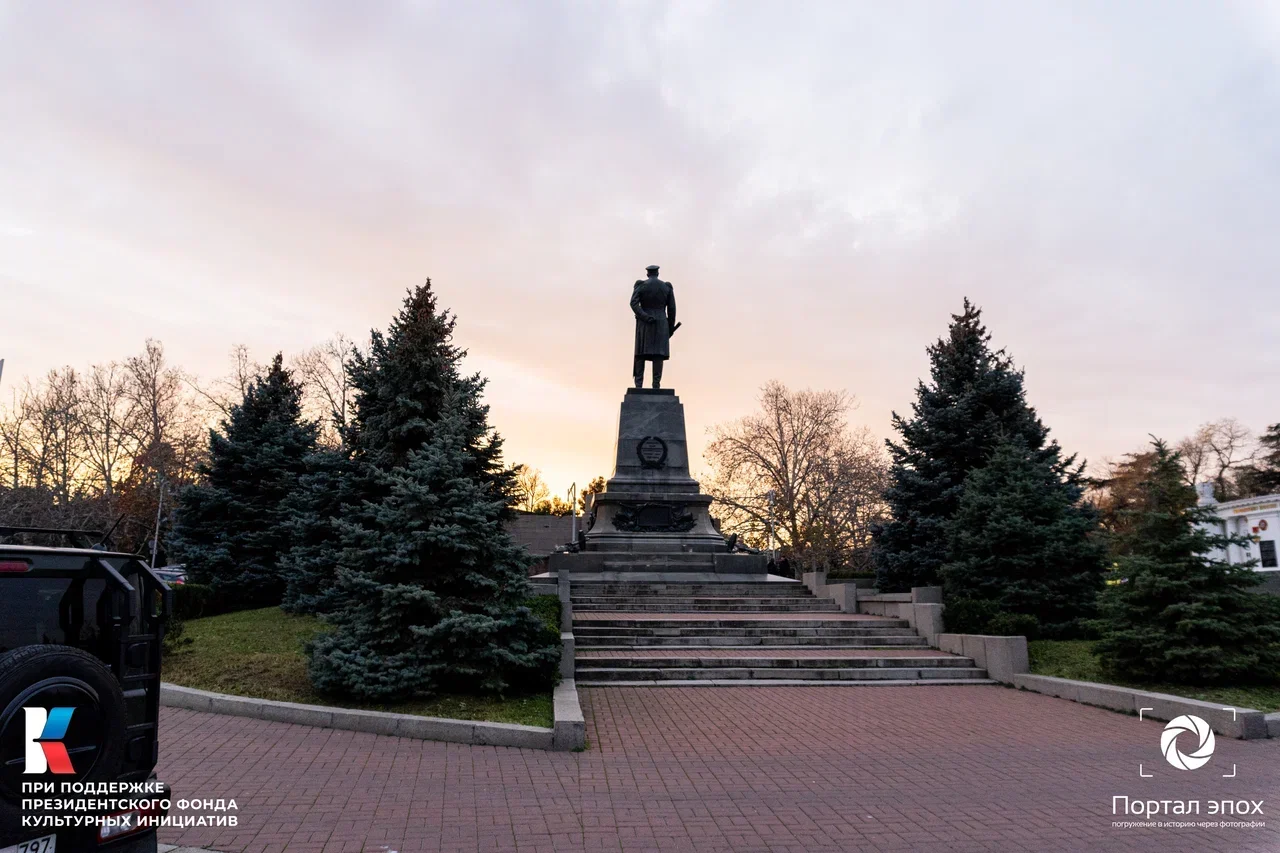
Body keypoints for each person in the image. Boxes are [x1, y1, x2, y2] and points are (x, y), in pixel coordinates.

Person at [630, 265, 677, 389]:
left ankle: (638, 385)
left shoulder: (641, 285)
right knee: (658, 355)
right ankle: (656, 385)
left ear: (647, 274)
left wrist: (644, 316)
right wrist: (670, 328)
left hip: (644, 324)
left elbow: (633, 303)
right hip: (661, 323)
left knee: (641, 354)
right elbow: (672, 309)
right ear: (657, 273)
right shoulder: (666, 287)